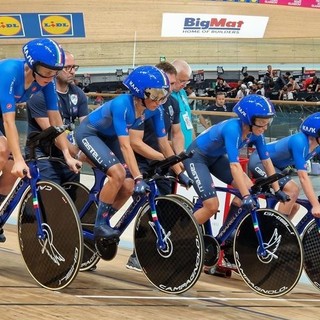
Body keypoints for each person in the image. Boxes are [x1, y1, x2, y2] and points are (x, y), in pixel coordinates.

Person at [74, 66, 190, 249]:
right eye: (156, 95)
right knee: (119, 174)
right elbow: (126, 146)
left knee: (127, 186)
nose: (160, 100)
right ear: (140, 92)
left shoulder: (155, 109)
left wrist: (178, 171)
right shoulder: (122, 105)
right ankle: (100, 225)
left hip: (109, 138)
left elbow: (164, 143)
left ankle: (100, 217)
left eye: (164, 95)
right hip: (90, 134)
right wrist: (138, 178)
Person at [183, 95, 288, 268]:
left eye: (267, 121)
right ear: (248, 119)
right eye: (261, 122)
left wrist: (276, 189)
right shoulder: (233, 129)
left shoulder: (256, 133)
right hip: (197, 157)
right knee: (211, 205)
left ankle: (223, 238)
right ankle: (181, 241)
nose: (265, 127)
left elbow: (267, 161)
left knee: (250, 192)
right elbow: (235, 166)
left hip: (215, 157)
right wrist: (245, 194)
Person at [0, 38, 81, 243]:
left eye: (55, 72)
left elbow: (56, 121)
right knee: (3, 150)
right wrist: (19, 158)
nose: (50, 77)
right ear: (32, 65)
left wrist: (66, 155)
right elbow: (10, 123)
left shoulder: (47, 80)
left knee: (11, 173)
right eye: (46, 71)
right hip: (4, 117)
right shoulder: (10, 71)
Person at [127, 62, 191, 271]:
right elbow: (135, 141)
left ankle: (149, 250)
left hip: (161, 160)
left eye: (174, 83)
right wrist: (168, 159)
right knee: (146, 202)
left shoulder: (172, 102)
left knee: (162, 206)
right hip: (141, 159)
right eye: (169, 83)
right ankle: (137, 253)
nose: (171, 87)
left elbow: (177, 133)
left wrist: (177, 161)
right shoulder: (144, 102)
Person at [25, 50, 89, 184]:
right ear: (56, 69)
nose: (72, 71)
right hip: (43, 156)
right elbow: (53, 133)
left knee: (73, 199)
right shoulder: (38, 95)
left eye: (74, 67)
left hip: (67, 154)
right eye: (67, 67)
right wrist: (78, 153)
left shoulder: (78, 94)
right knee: (52, 202)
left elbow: (87, 128)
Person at [249, 112, 320, 219]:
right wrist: (315, 205)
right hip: (259, 161)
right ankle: (275, 232)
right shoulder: (300, 141)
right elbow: (303, 178)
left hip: (275, 167)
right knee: (293, 190)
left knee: (294, 206)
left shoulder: (317, 145)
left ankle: (283, 234)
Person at [171, 60, 195, 149]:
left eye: (186, 82)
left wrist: (194, 145)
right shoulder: (165, 97)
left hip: (188, 148)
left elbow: (187, 119)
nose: (184, 85)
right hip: (176, 150)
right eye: (182, 81)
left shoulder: (182, 92)